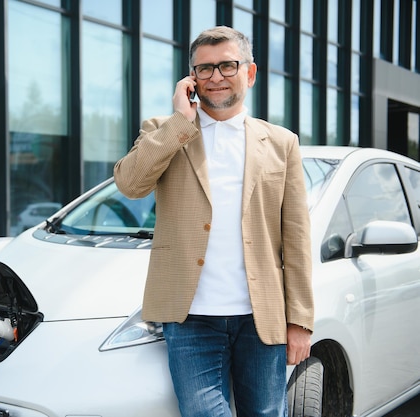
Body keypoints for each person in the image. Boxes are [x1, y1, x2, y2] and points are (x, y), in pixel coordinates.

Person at [113, 26, 314, 417]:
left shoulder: (281, 142)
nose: (216, 77)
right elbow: (130, 183)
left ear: (250, 73)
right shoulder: (165, 131)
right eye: (204, 69)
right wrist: (179, 122)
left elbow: (297, 237)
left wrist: (301, 320)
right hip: (191, 319)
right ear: (190, 79)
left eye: (227, 65)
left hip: (261, 317)